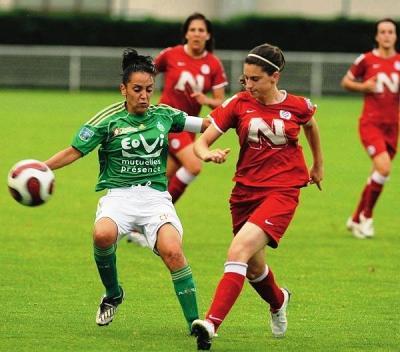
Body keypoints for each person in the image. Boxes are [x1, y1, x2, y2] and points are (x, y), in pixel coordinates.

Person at [44, 48, 209, 332]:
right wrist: (41, 168)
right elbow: (74, 151)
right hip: (118, 197)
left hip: (155, 199)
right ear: (123, 89)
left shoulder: (165, 115)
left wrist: (238, 112)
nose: (144, 96)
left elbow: (207, 124)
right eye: (137, 89)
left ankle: (196, 324)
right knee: (102, 234)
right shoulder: (107, 120)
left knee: (173, 252)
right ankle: (113, 294)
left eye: (149, 89)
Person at [189, 43, 324, 350]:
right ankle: (279, 301)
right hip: (245, 194)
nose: (248, 85)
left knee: (237, 251)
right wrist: (207, 154)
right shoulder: (239, 103)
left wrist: (317, 165)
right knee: (253, 267)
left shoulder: (298, 105)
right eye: (245, 79)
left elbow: (311, 126)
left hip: (282, 192)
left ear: (274, 76)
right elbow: (202, 141)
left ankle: (210, 324)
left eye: (255, 79)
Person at [155, 12, 228, 203]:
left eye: (201, 30)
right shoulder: (171, 54)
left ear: (208, 35)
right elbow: (146, 74)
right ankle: (162, 215)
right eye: (193, 30)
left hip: (190, 126)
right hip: (167, 119)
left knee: (163, 180)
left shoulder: (213, 63)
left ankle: (140, 224)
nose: (197, 34)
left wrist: (206, 100)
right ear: (186, 34)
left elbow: (221, 101)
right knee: (194, 166)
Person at [342, 18, 400, 239]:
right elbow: (346, 82)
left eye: (390, 32)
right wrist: (363, 86)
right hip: (370, 124)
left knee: (378, 173)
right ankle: (367, 217)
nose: (386, 35)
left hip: (392, 126)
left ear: (395, 36)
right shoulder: (366, 59)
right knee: (383, 168)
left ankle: (355, 218)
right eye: (382, 32)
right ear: (377, 36)